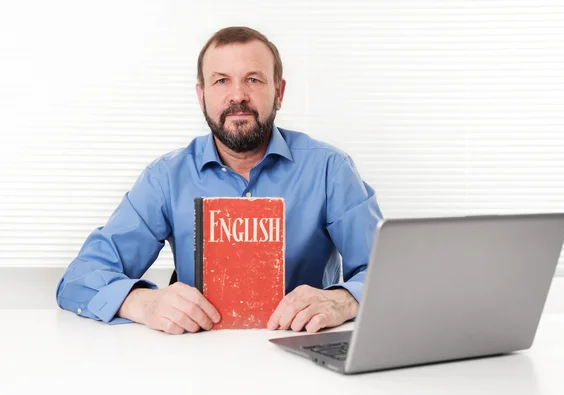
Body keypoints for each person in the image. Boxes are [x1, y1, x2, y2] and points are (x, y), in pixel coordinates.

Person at [55, 26, 383, 335]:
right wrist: (144, 302)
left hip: (303, 353)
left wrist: (342, 300)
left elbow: (387, 273)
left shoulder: (330, 170)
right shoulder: (165, 178)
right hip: (197, 359)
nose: (237, 95)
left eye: (253, 79)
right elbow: (79, 278)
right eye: (221, 81)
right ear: (201, 96)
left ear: (279, 92)